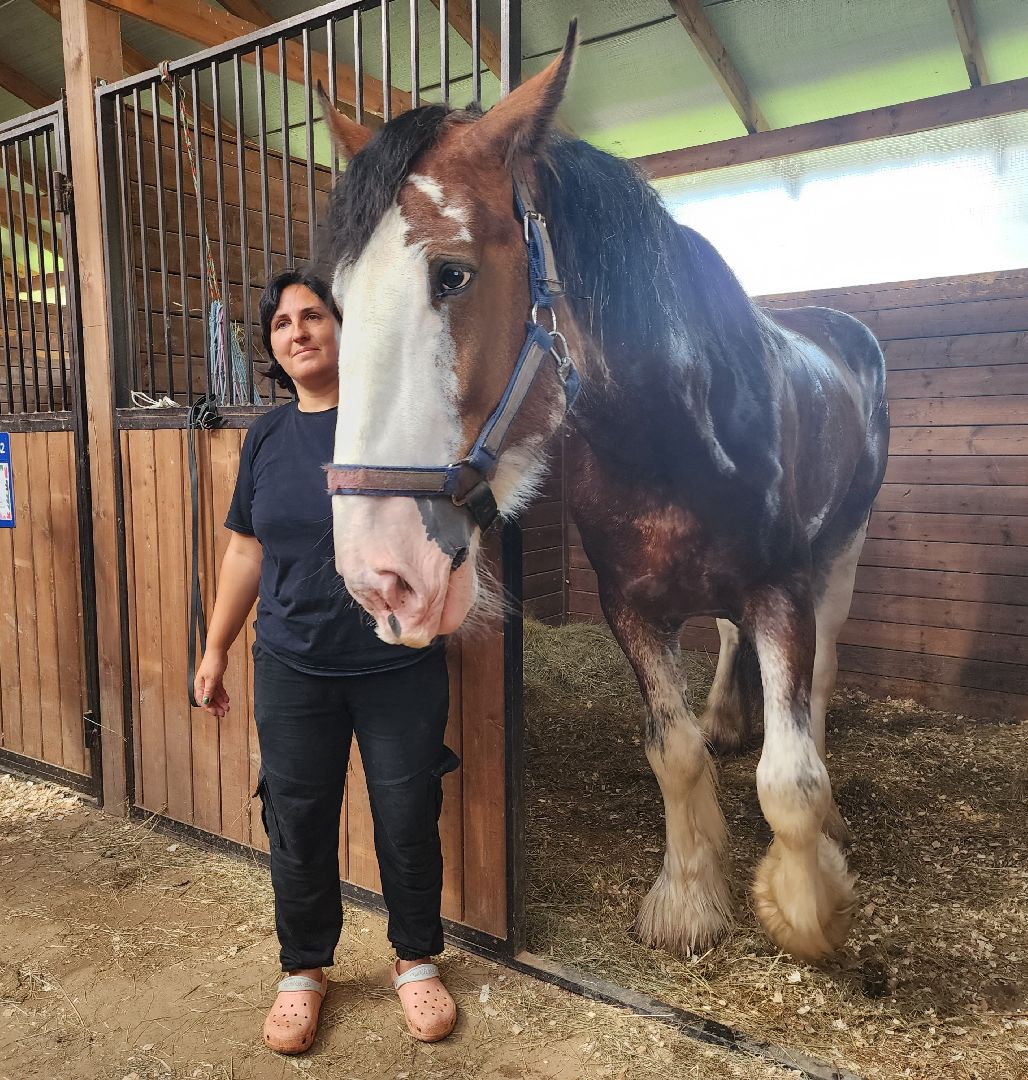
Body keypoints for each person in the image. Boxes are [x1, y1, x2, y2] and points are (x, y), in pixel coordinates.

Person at [193, 267, 459, 1054]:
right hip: (292, 661)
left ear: (345, 330)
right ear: (272, 347)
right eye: (282, 324)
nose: (299, 331)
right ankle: (303, 971)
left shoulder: (397, 422)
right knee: (297, 820)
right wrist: (215, 646)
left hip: (398, 663)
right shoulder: (269, 436)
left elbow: (449, 523)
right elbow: (246, 548)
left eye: (314, 316)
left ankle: (416, 961)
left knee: (408, 817)